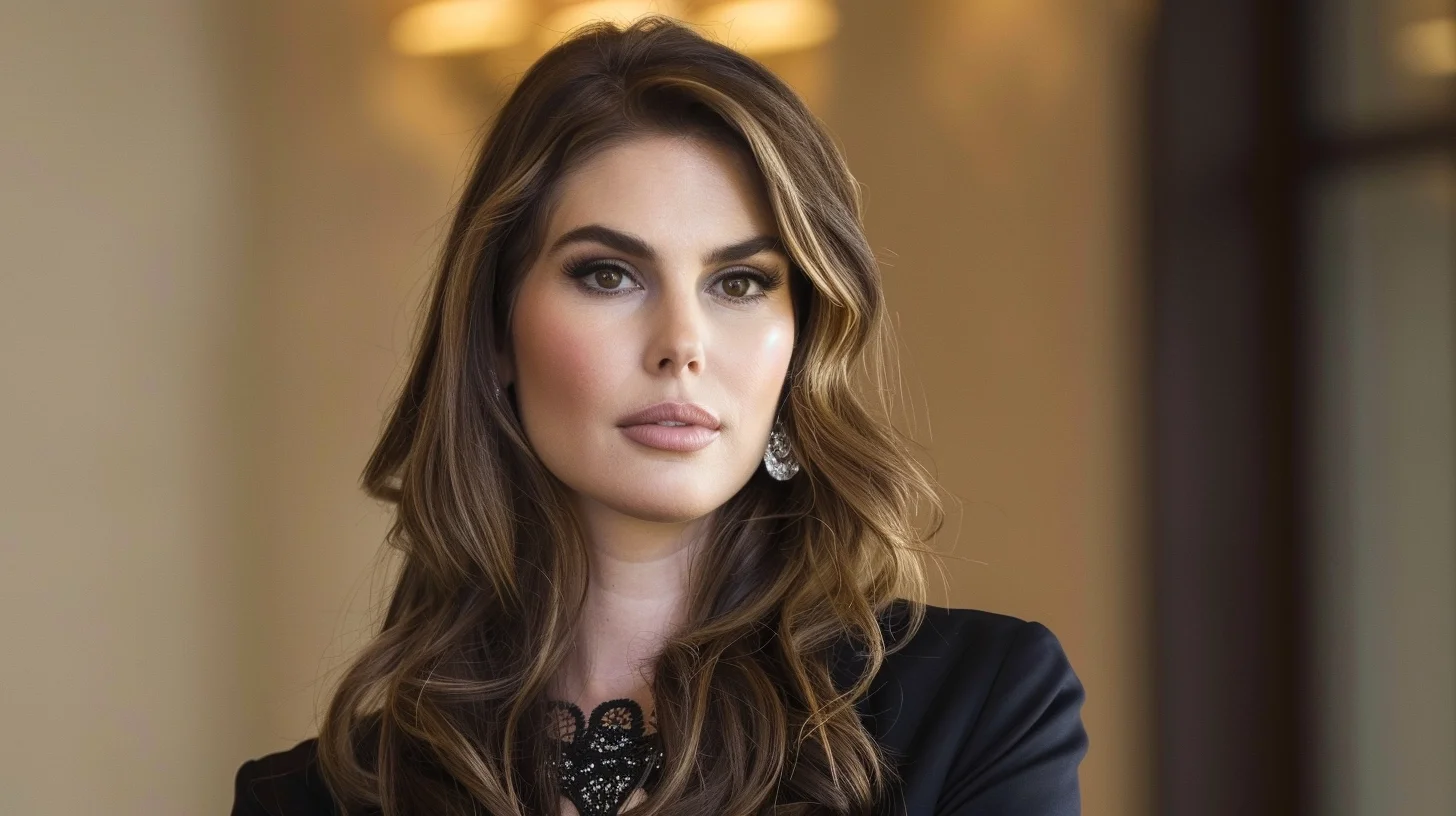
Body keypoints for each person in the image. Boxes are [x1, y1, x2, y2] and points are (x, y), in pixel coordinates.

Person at [231, 15, 1087, 816]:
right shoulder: (310, 798)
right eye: (609, 274)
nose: (682, 344)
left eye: (740, 282)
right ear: (495, 331)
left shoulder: (984, 703)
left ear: (800, 344)